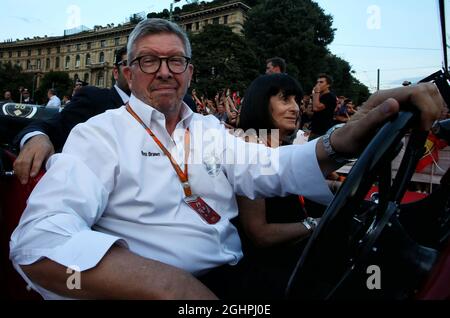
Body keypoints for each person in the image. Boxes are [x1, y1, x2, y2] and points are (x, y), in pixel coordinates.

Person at [9, 18, 444, 300]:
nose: (164, 71)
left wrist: (343, 140)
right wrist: (167, 285)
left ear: (190, 71)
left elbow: (270, 167)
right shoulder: (98, 134)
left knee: (367, 276)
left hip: (240, 275)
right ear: (127, 72)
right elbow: (39, 240)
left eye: (176, 60)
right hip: (183, 294)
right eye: (149, 61)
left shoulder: (208, 130)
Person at [235, 73, 318, 297]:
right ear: (261, 103)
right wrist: (315, 225)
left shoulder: (273, 145)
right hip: (270, 275)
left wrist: (331, 185)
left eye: (297, 101)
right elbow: (260, 234)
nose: (295, 108)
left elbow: (291, 180)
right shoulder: (250, 148)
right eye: (285, 99)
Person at [13, 47, 131, 185]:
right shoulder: (94, 98)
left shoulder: (155, 109)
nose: (136, 69)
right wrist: (38, 137)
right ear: (116, 73)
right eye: (129, 63)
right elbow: (53, 126)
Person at [309, 74, 337, 141]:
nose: (318, 84)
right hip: (314, 130)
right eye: (317, 82)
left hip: (322, 132)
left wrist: (316, 92)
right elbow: (312, 112)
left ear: (328, 85)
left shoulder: (330, 97)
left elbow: (316, 108)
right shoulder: (319, 96)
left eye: (321, 82)